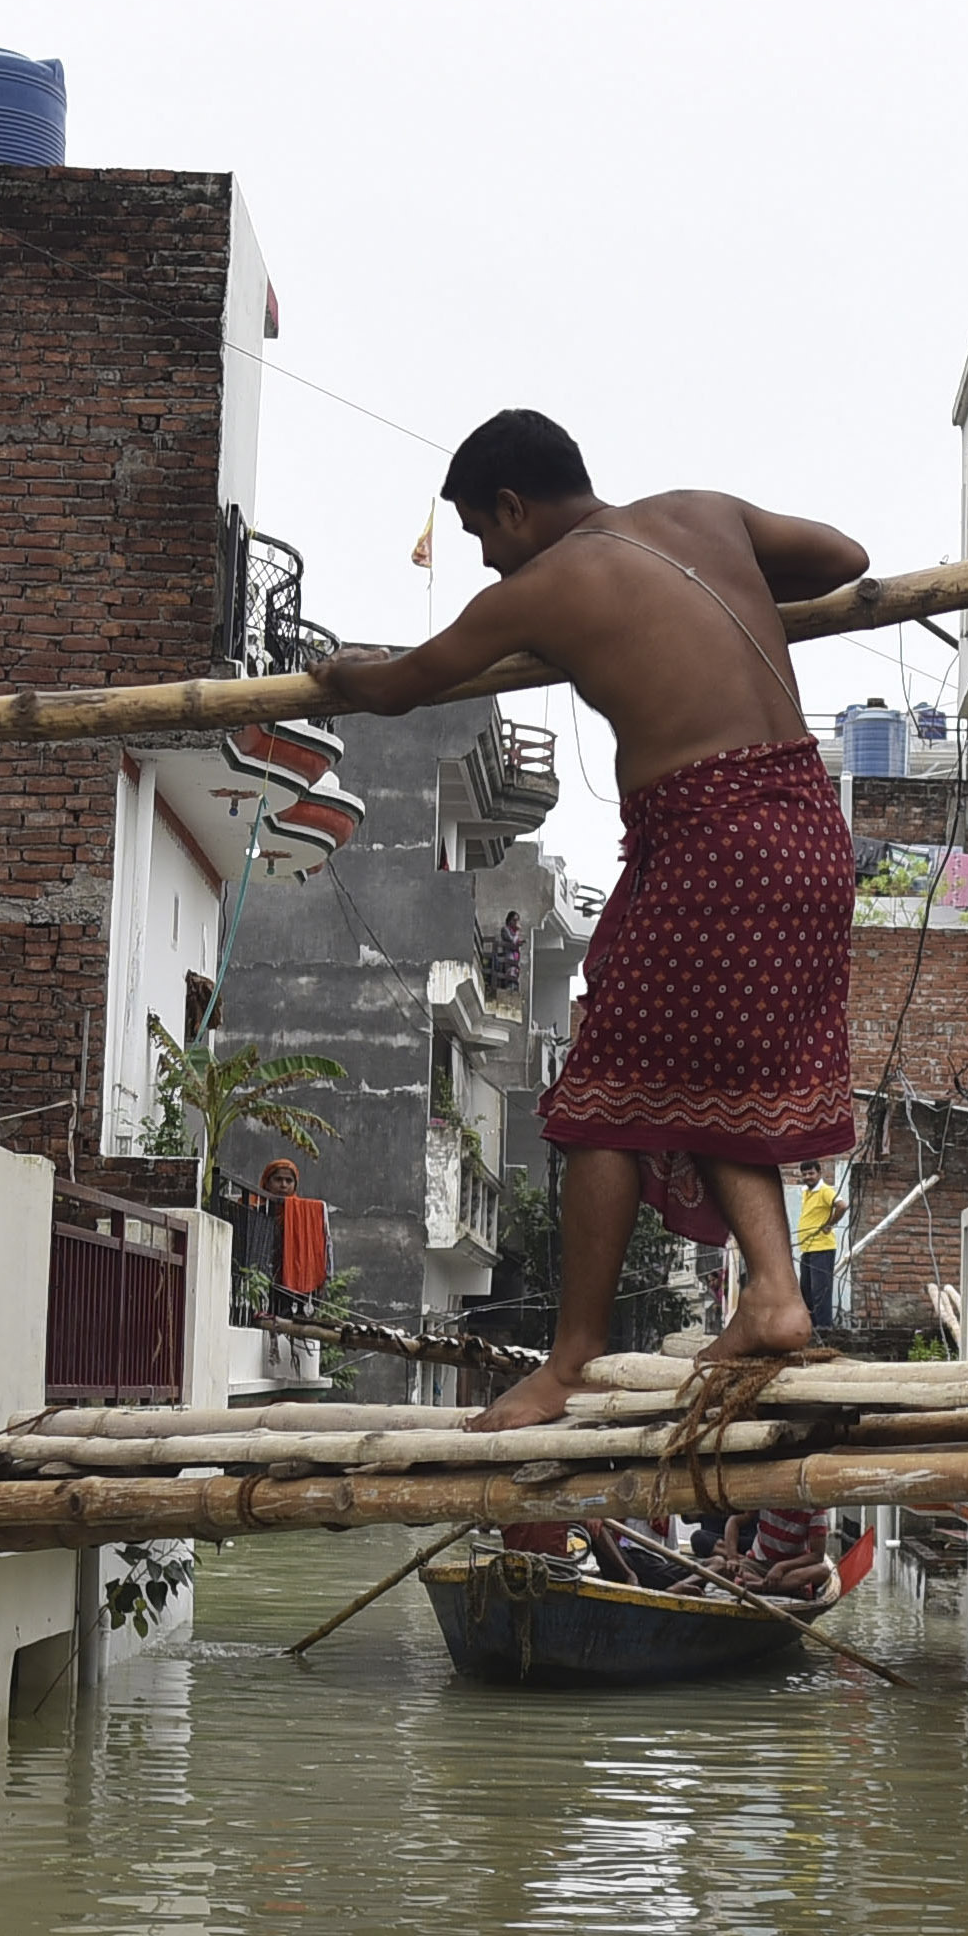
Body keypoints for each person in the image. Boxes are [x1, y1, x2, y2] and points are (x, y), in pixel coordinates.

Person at [317, 410, 867, 1425]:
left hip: (715, 837)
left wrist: (324, 677)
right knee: (705, 1077)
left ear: (517, 508)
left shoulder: (544, 588)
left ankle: (569, 1361)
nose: (485, 563)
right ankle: (777, 1294)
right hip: (806, 827)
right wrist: (727, 595)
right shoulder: (703, 513)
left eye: (483, 535)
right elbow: (845, 556)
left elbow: (399, 687)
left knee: (600, 1101)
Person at [792, 1162, 844, 1333]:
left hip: (822, 1248)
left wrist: (830, 1224)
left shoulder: (824, 1191)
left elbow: (842, 1205)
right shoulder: (807, 1192)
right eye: (805, 1174)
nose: (807, 1177)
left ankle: (824, 1327)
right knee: (806, 1290)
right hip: (808, 1249)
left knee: (820, 1289)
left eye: (811, 1173)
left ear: (820, 1173)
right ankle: (813, 1327)